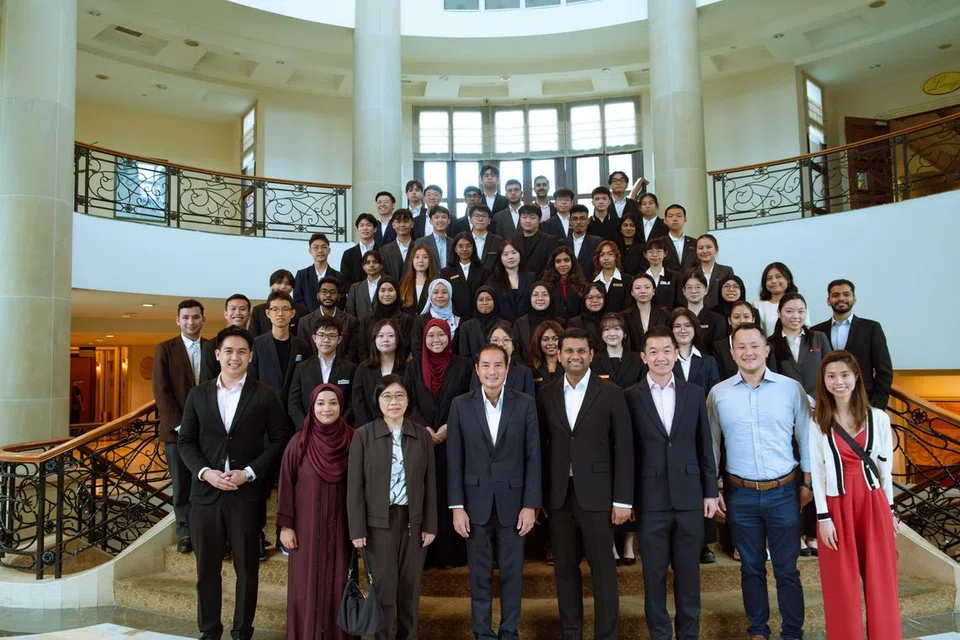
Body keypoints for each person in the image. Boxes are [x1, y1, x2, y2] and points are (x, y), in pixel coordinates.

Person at [177, 326, 290, 640]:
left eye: (242, 352)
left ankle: (242, 632)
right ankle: (209, 631)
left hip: (246, 494)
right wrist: (206, 472)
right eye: (228, 351)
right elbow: (185, 441)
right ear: (217, 355)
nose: (234, 357)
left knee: (247, 570)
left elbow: (280, 440)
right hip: (205, 495)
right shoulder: (198, 394)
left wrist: (249, 472)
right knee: (206, 570)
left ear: (251, 356)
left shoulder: (265, 394)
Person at [707, 323, 813, 640]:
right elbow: (712, 445)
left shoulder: (791, 389)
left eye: (754, 345)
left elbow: (806, 437)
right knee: (750, 567)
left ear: (766, 349)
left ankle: (792, 633)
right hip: (740, 494)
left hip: (784, 491)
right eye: (741, 346)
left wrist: (808, 484)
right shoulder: (719, 394)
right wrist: (712, 486)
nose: (748, 352)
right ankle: (758, 631)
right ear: (732, 353)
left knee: (787, 569)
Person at [536, 328, 634, 640]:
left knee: (603, 571)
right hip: (558, 497)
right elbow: (539, 448)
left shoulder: (612, 393)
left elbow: (625, 449)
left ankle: (606, 635)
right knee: (565, 571)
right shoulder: (546, 394)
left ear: (592, 354)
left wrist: (623, 500)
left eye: (581, 350)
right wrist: (539, 497)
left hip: (599, 496)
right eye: (569, 351)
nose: (575, 356)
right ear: (559, 354)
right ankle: (571, 634)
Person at [626, 326, 720, 640]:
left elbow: (704, 445)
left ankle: (689, 635)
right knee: (653, 577)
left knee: (689, 576)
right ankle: (660, 635)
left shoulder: (694, 392)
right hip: (650, 500)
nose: (661, 357)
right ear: (643, 357)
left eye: (666, 350)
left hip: (690, 498)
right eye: (653, 351)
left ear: (676, 353)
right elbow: (628, 453)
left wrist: (710, 491)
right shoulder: (630, 396)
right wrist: (628, 499)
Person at [447, 344, 542, 640]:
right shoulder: (460, 404)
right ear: (477, 370)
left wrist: (531, 505)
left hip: (514, 505)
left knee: (513, 576)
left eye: (498, 365)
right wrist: (457, 506)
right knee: (479, 576)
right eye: (486, 365)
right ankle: (483, 633)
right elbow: (454, 459)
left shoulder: (525, 403)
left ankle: (509, 631)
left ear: (507, 368)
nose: (492, 371)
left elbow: (533, 456)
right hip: (474, 505)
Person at [809, 351, 901, 640]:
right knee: (840, 585)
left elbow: (885, 472)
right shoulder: (818, 421)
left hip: (873, 503)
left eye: (845, 375)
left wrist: (891, 510)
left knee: (881, 580)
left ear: (856, 377)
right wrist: (823, 517)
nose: (839, 382)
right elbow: (818, 474)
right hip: (836, 507)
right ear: (823, 381)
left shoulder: (879, 418)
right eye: (831, 376)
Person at [347, 375, 437, 640]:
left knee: (410, 590)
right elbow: (355, 486)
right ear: (378, 401)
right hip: (378, 524)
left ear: (408, 400)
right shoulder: (363, 435)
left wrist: (430, 524)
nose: (393, 402)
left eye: (399, 396)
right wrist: (357, 529)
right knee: (383, 590)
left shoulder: (421, 435)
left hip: (413, 522)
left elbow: (431, 482)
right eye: (387, 396)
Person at [276, 383, 353, 640]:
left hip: (341, 527)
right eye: (320, 403)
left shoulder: (353, 439)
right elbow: (286, 484)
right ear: (312, 407)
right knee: (304, 587)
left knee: (339, 583)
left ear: (341, 406)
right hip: (305, 529)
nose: (326, 408)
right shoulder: (299, 442)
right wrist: (286, 526)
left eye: (333, 402)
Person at [767, 292, 832, 558]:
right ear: (779, 313)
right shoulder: (771, 343)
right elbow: (771, 380)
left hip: (819, 415)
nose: (796, 316)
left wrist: (820, 401)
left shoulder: (818, 338)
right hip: (787, 418)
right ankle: (795, 534)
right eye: (790, 311)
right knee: (795, 475)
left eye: (800, 311)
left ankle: (812, 532)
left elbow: (830, 371)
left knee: (818, 470)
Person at [405, 319, 472, 570]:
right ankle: (426, 556)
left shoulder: (463, 365)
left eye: (441, 335)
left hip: (453, 440)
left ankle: (450, 555)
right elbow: (407, 401)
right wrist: (423, 427)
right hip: (421, 440)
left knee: (448, 493)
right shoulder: (412, 367)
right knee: (424, 495)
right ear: (424, 339)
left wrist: (449, 426)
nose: (436, 340)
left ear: (449, 337)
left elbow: (469, 398)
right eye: (431, 335)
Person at [153, 299, 206, 554]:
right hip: (176, 433)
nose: (190, 322)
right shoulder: (165, 349)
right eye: (185, 317)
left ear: (203, 319)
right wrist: (179, 425)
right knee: (182, 485)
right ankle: (185, 532)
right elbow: (161, 391)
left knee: (205, 482)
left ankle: (205, 529)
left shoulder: (213, 347)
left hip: (208, 431)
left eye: (195, 317)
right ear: (178, 320)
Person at [811, 279, 894, 410]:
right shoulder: (816, 331)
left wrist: (878, 405)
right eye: (835, 295)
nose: (841, 298)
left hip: (864, 401)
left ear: (854, 299)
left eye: (846, 294)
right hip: (827, 403)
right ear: (828, 301)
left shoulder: (871, 328)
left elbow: (884, 370)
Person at [249, 291, 313, 418]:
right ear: (268, 313)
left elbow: (306, 382)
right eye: (275, 309)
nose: (280, 313)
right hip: (265, 411)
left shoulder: (302, 346)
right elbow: (251, 379)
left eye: (285, 309)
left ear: (292, 313)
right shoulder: (257, 344)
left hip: (294, 414)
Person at [288, 316, 357, 429]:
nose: (326, 340)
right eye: (321, 335)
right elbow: (293, 403)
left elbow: (352, 403)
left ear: (339, 339)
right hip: (308, 430)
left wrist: (340, 425)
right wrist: (306, 426)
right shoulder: (302, 368)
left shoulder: (350, 368)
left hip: (340, 430)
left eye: (331, 336)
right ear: (314, 338)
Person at [351, 318, 407, 428]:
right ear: (374, 340)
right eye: (380, 336)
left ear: (398, 339)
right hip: (369, 428)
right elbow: (358, 402)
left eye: (391, 336)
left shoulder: (407, 368)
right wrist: (372, 428)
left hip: (401, 427)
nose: (385, 340)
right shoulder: (363, 368)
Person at [295, 276, 360, 362]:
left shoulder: (351, 321)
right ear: (318, 296)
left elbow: (352, 352)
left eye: (332, 292)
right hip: (313, 368)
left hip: (344, 367)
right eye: (324, 292)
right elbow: (303, 351)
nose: (328, 295)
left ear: (339, 296)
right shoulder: (304, 322)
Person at [468, 321, 536, 397]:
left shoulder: (524, 373)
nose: (500, 344)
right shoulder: (478, 372)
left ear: (513, 346)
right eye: (495, 340)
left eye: (506, 340)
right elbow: (474, 400)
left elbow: (529, 402)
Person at [357, 277, 412, 364]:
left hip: (397, 366)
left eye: (391, 290)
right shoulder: (367, 319)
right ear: (377, 293)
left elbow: (406, 347)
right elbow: (362, 347)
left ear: (397, 292)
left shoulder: (406, 319)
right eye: (382, 290)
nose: (386, 294)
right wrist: (370, 365)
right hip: (370, 366)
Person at [200, 294, 251, 383]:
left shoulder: (258, 344)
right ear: (225, 314)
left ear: (249, 315)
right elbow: (206, 382)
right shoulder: (210, 346)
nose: (237, 312)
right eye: (233, 309)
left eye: (242, 309)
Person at [670, 307, 721, 393]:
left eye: (687, 325)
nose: (683, 330)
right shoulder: (665, 360)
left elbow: (714, 395)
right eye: (677, 326)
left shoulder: (709, 362)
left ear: (695, 328)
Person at [485, 238, 534, 324]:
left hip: (527, 325)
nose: (510, 257)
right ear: (500, 259)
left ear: (520, 254)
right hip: (501, 327)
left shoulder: (531, 278)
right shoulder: (492, 280)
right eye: (506, 254)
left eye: (514, 253)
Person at [440, 232, 487, 320]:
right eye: (460, 246)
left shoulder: (483, 270)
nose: (464, 249)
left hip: (479, 318)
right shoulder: (446, 272)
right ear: (455, 249)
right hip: (454, 318)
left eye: (468, 246)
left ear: (473, 248)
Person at [411, 278, 461, 360]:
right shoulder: (420, 321)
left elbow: (460, 351)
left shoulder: (458, 321)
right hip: (426, 365)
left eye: (444, 292)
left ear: (450, 294)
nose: (440, 296)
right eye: (435, 292)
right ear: (430, 295)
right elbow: (416, 349)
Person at [679, 271, 728, 353]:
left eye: (698, 287)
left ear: (706, 290)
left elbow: (719, 351)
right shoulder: (676, 318)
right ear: (684, 291)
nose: (693, 291)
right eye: (689, 287)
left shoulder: (717, 320)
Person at [591, 312, 643, 388]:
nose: (612, 334)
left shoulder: (637, 359)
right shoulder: (594, 361)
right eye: (607, 329)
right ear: (601, 334)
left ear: (625, 333)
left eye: (617, 329)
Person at [512, 281, 560, 364]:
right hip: (527, 369)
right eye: (535, 294)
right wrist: (526, 370)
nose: (540, 298)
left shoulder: (560, 322)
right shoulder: (520, 324)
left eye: (544, 294)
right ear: (529, 298)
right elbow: (515, 352)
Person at [251, 269, 310, 337]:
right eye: (279, 283)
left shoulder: (302, 310)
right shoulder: (258, 310)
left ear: (292, 288)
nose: (283, 287)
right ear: (271, 285)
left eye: (287, 284)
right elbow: (253, 337)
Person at [293, 234, 342, 313]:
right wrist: (310, 317)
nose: (320, 251)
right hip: (307, 318)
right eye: (316, 247)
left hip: (331, 319)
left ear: (329, 250)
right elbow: (297, 301)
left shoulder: (339, 276)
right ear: (310, 251)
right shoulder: (302, 275)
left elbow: (341, 301)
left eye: (324, 247)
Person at [622, 273, 670, 352]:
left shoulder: (665, 315)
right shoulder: (624, 317)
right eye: (637, 288)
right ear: (632, 292)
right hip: (634, 358)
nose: (643, 291)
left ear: (653, 291)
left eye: (647, 287)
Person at [714, 300, 758, 381]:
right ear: (729, 320)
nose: (742, 321)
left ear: (753, 319)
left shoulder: (764, 345)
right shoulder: (718, 347)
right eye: (736, 317)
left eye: (746, 317)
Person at [457, 286, 501, 363]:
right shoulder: (466, 327)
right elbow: (464, 356)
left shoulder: (504, 325)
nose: (484, 303)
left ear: (494, 301)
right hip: (473, 369)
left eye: (488, 299)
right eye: (480, 300)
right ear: (475, 302)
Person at [754, 261, 798, 337]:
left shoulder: (798, 302)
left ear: (788, 279)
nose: (774, 281)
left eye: (778, 276)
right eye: (769, 278)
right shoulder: (757, 305)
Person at [543, 245, 586, 321]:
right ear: (553, 264)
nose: (562, 264)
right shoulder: (546, 284)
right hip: (553, 325)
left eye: (566, 260)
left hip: (576, 326)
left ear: (572, 262)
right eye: (558, 261)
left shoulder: (582, 285)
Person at [516, 204, 559, 278]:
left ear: (539, 220)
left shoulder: (550, 241)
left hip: (543, 282)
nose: (528, 221)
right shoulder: (513, 241)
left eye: (532, 218)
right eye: (524, 217)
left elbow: (551, 267)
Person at [560, 205, 602, 280]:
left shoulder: (597, 242)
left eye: (582, 218)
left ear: (588, 221)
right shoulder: (562, 243)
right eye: (575, 219)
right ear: (570, 222)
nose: (578, 222)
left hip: (590, 283)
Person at [694, 234, 734, 311]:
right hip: (697, 315)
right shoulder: (690, 273)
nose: (705, 251)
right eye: (700, 248)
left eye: (708, 247)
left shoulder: (726, 271)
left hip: (721, 314)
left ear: (716, 249)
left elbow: (731, 295)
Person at [340, 214, 379, 293]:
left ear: (375, 229)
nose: (365, 228)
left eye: (368, 225)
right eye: (361, 225)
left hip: (378, 294)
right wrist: (356, 293)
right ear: (357, 230)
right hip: (355, 295)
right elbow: (344, 279)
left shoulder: (382, 251)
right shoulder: (348, 254)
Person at [592, 241, 632, 313]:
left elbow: (629, 306)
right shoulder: (593, 281)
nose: (606, 258)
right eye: (602, 255)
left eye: (610, 254)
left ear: (616, 256)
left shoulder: (627, 280)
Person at [414, 205, 454, 274]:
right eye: (436, 217)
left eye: (444, 217)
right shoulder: (421, 242)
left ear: (449, 221)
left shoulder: (453, 243)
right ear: (430, 221)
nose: (440, 220)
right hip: (428, 279)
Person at [345, 249, 383, 320]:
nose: (371, 265)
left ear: (381, 265)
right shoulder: (355, 288)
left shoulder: (387, 285)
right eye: (367, 263)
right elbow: (350, 313)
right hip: (360, 326)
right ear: (363, 267)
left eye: (375, 262)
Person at [399, 244, 436, 315]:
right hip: (407, 321)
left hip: (428, 321)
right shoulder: (403, 282)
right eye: (417, 257)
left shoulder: (435, 283)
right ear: (412, 260)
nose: (421, 260)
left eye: (425, 257)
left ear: (430, 260)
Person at [643, 238, 680, 311]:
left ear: (665, 253)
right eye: (650, 252)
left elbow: (680, 303)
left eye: (658, 251)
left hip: (669, 316)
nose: (655, 255)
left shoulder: (675, 277)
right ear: (645, 254)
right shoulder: (640, 278)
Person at [567, 282, 607, 348]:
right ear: (584, 300)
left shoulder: (612, 320)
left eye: (599, 297)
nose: (595, 300)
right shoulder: (575, 323)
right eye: (590, 297)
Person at [529, 320, 564, 392]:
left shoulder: (568, 366)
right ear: (538, 342)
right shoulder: (530, 369)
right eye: (545, 339)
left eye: (555, 339)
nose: (550, 343)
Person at [379, 208, 415, 279]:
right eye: (398, 222)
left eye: (406, 221)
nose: (402, 225)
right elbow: (383, 273)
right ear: (393, 225)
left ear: (412, 224)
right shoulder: (384, 250)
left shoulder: (419, 247)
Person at [662, 204, 697, 272]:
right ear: (665, 221)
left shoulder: (695, 242)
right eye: (670, 216)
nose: (675, 219)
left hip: (691, 278)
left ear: (685, 219)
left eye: (679, 216)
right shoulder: (659, 243)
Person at [469, 205, 504, 271]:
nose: (480, 219)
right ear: (470, 220)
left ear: (489, 221)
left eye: (484, 216)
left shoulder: (498, 241)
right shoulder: (464, 240)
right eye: (476, 216)